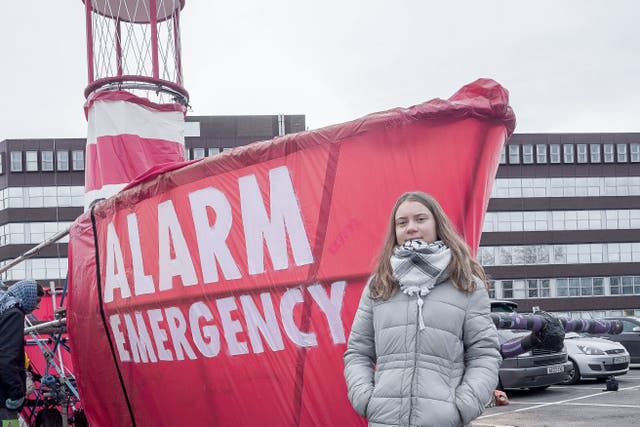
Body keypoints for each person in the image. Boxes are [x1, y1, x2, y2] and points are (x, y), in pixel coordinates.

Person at [344, 191, 502, 427]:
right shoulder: (379, 285)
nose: (411, 228)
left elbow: (484, 355)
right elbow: (358, 353)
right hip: (385, 421)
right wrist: (365, 399)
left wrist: (462, 406)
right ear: (395, 232)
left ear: (437, 224)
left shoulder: (466, 285)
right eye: (402, 222)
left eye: (420, 219)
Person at [0, 280, 44, 424]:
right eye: (36, 300)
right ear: (27, 295)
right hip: (4, 397)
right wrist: (16, 393)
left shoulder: (4, 309)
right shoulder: (14, 314)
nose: (37, 306)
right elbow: (7, 356)